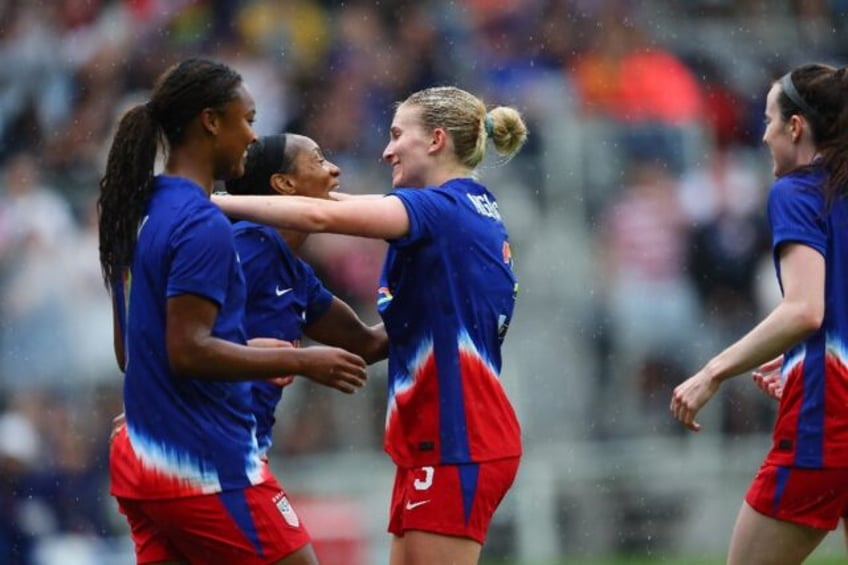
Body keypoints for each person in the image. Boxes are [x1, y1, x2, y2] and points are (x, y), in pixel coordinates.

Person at [215, 86, 528, 565]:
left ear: (437, 140)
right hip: (437, 439)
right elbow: (367, 336)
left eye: (397, 134)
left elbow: (323, 212)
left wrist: (207, 202)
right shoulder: (464, 208)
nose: (385, 150)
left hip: (457, 439)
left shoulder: (439, 209)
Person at [97, 58, 368, 565]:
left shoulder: (139, 208)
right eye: (247, 119)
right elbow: (187, 351)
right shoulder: (205, 224)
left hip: (144, 458)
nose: (251, 136)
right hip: (202, 461)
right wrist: (299, 360)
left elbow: (130, 350)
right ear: (210, 121)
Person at [670, 63, 848, 564]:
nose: (764, 134)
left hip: (826, 425)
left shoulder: (797, 191)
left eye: (770, 121)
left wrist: (714, 372)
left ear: (796, 127)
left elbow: (804, 310)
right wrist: (798, 360)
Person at [223, 132, 388, 458]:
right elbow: (184, 343)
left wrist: (443, 294)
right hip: (208, 445)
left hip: (246, 449)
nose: (335, 170)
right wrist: (298, 360)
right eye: (318, 160)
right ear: (284, 184)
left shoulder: (296, 274)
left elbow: (367, 343)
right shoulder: (246, 246)